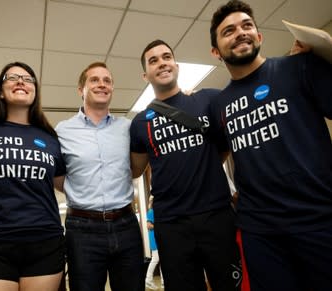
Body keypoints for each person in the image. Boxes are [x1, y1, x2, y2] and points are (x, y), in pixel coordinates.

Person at [209, 1, 332, 291]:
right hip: (260, 232)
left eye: (247, 26)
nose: (240, 33)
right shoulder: (219, 105)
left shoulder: (299, 66)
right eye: (228, 31)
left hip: (319, 220)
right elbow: (218, 154)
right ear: (216, 51)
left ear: (259, 36)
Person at [130, 39, 240, 291]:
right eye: (153, 60)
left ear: (176, 65)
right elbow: (136, 169)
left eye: (166, 56)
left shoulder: (208, 100)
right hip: (171, 225)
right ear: (145, 74)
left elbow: (223, 147)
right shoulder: (140, 123)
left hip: (216, 217)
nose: (162, 63)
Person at [0, 62, 66, 291]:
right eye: (12, 77)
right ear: (0, 90)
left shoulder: (50, 137)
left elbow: (61, 183)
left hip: (45, 241)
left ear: (35, 92)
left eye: (28, 79)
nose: (21, 81)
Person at [54, 61, 144, 291]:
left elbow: (135, 168)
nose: (102, 84)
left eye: (107, 81)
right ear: (81, 89)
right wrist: (82, 191)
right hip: (82, 230)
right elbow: (58, 177)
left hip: (126, 225)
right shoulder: (62, 131)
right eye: (94, 80)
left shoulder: (128, 127)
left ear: (112, 88)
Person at [145, 196, 164, 290]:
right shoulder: (151, 211)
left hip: (158, 238)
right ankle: (148, 280)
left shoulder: (155, 211)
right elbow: (149, 225)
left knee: (161, 259)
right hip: (154, 239)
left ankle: (163, 282)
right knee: (155, 259)